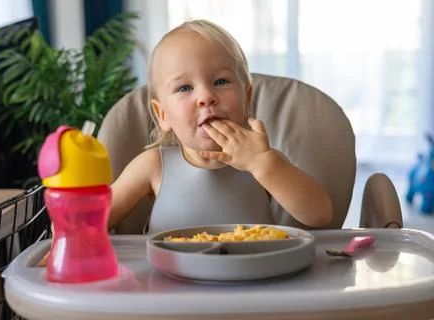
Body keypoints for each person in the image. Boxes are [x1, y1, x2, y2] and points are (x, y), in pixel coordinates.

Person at [109, 19, 333, 234]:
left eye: (221, 82)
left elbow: (319, 215)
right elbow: (93, 219)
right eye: (185, 87)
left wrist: (263, 164)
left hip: (253, 271)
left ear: (246, 99)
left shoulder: (263, 161)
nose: (206, 96)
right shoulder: (153, 166)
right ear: (162, 114)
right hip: (169, 273)